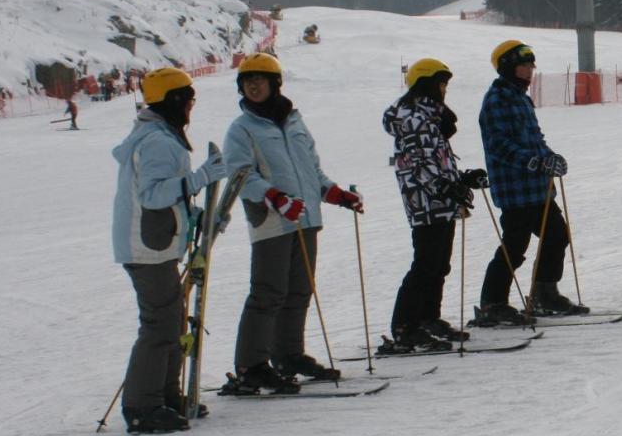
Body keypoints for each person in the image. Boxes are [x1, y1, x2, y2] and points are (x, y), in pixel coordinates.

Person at [219, 53, 362, 392]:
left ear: (275, 84)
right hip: (272, 221)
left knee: (299, 290)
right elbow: (240, 175)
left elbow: (311, 170)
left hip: (306, 218)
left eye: (260, 80)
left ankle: (288, 354)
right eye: (247, 81)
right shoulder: (241, 129)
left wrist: (335, 194)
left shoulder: (295, 122)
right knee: (268, 292)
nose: (254, 86)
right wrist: (274, 197)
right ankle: (251, 365)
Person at [110, 68, 225, 434]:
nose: (191, 105)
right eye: (187, 98)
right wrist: (201, 177)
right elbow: (154, 195)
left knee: (172, 322)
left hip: (156, 243)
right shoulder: (157, 141)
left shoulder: (161, 135)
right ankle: (142, 405)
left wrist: (194, 217)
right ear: (173, 99)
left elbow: (167, 198)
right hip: (147, 248)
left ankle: (165, 395)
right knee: (160, 325)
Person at [477, 40, 587, 322]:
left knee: (557, 235)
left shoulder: (520, 98)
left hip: (537, 188)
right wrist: (534, 161)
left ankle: (544, 293)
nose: (530, 70)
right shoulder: (497, 99)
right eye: (524, 65)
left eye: (531, 65)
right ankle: (492, 303)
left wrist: (550, 157)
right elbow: (498, 144)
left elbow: (534, 139)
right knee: (515, 244)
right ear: (508, 67)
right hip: (515, 189)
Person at [382, 57, 485, 350]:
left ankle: (428, 316)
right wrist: (443, 185)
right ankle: (405, 324)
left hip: (438, 199)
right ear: (427, 85)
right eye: (441, 83)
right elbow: (416, 162)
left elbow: (434, 160)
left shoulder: (428, 116)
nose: (444, 90)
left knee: (439, 263)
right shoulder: (413, 118)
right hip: (424, 200)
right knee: (426, 263)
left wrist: (461, 179)